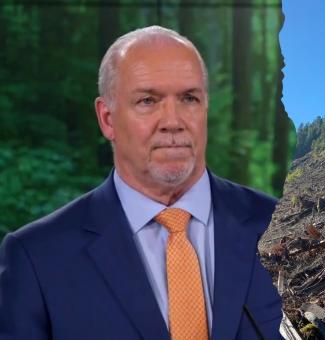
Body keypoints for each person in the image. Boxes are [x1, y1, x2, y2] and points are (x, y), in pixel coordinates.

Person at [0, 26, 283, 340]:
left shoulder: (279, 226)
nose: (173, 122)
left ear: (205, 108)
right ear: (107, 118)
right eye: (148, 101)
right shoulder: (37, 257)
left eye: (189, 98)